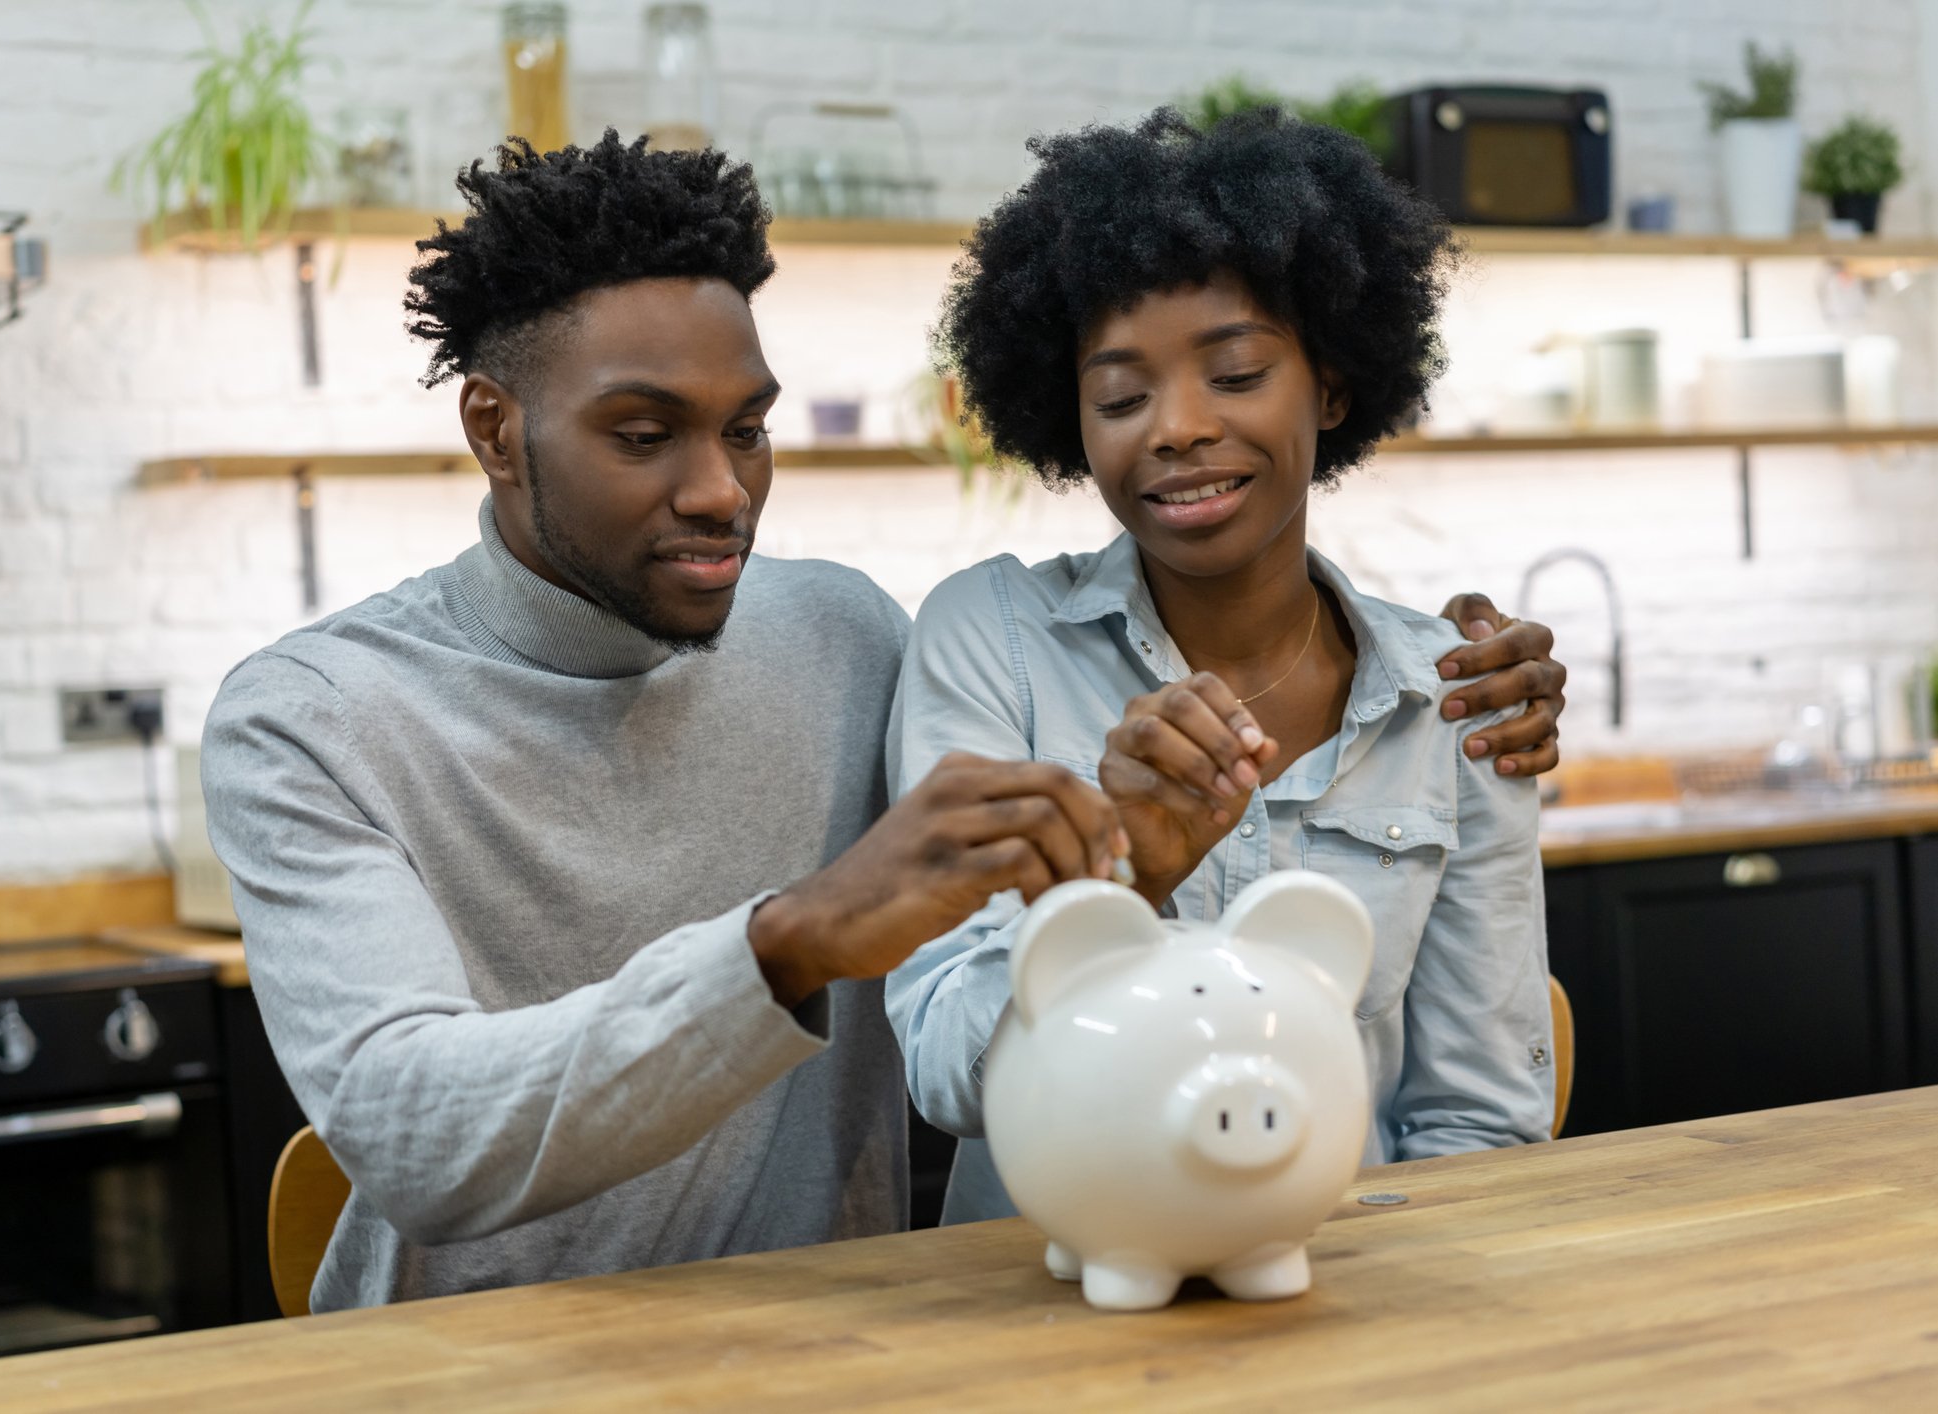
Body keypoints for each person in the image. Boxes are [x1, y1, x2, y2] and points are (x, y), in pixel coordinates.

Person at [201, 134, 1127, 1311]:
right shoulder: (314, 719)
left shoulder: (847, 639)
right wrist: (787, 942)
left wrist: (1430, 660)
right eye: (645, 436)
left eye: (745, 429)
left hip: (828, 1368)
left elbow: (987, 1000)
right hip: (470, 1382)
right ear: (494, 430)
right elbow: (410, 1128)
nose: (721, 491)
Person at [888, 108, 1563, 1224]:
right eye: (1120, 396)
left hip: (1342, 1291)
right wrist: (1120, 875)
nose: (1177, 427)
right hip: (1048, 1309)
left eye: (1237, 373)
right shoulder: (992, 641)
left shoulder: (1461, 694)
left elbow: (1483, 1118)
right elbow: (947, 1066)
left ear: (1333, 386)